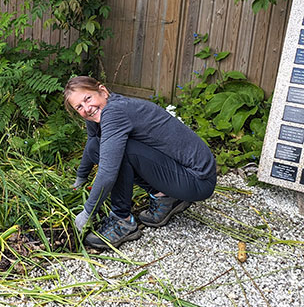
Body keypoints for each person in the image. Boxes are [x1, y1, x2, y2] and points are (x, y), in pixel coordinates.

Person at [64, 76, 217, 250]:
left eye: (88, 98)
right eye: (79, 107)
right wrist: (80, 177)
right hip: (182, 173)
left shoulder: (114, 112)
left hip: (197, 179)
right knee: (97, 147)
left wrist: (87, 213)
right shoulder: (101, 110)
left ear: (103, 91)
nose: (87, 108)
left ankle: (122, 221)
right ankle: (166, 197)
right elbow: (92, 142)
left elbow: (107, 172)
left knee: (121, 152)